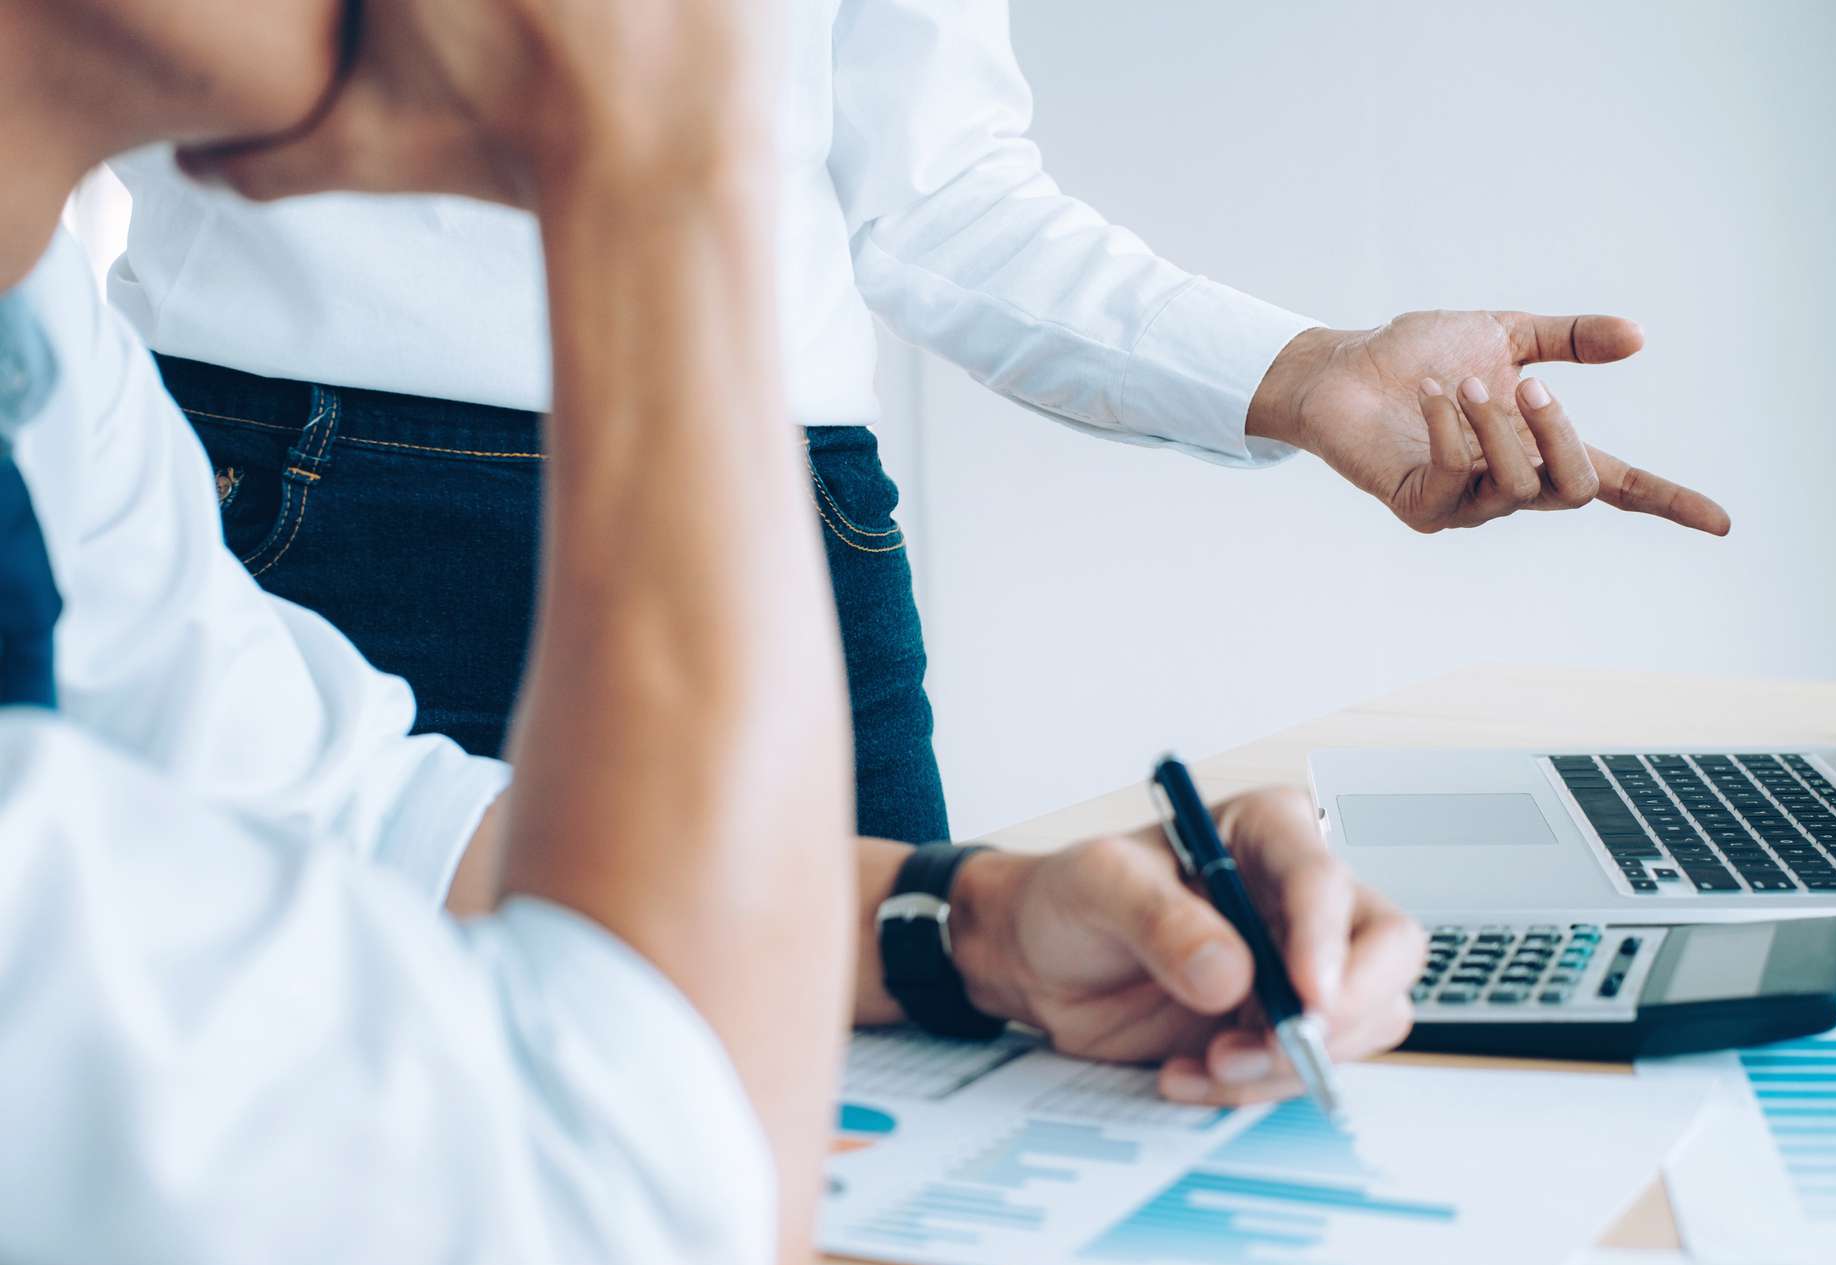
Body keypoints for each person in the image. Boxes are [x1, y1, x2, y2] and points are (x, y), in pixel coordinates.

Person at [0, 1, 1432, 1265]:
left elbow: (364, 819)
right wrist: (651, 164)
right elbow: (635, 1220)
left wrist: (971, 923)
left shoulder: (50, 361)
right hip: (325, 441)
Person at [112, 0, 1733, 846]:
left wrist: (1300, 374)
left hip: (777, 513)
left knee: (873, 1132)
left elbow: (933, 190)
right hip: (311, 492)